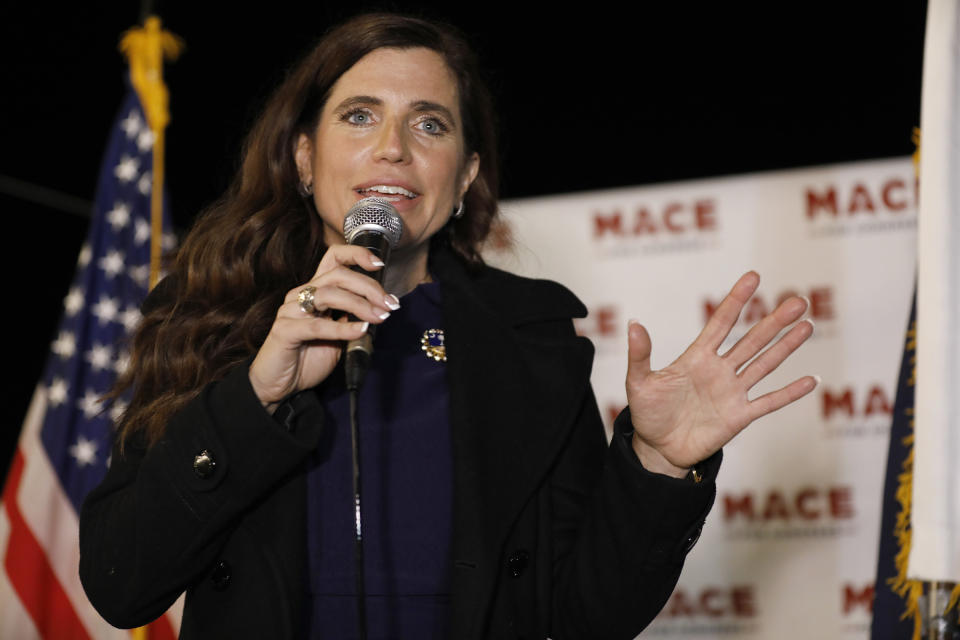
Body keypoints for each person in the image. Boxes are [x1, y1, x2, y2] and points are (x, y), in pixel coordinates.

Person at [78, 12, 816, 640]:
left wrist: (656, 464)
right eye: (359, 115)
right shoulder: (212, 320)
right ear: (304, 157)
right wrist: (256, 398)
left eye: (429, 123)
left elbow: (591, 614)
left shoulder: (534, 342)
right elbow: (121, 584)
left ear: (463, 177)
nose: (393, 146)